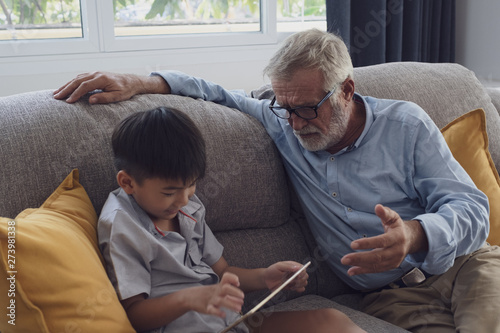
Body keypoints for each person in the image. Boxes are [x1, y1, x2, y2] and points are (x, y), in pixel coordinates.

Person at [54, 29, 500, 332]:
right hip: (390, 296)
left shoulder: (406, 125)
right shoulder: (283, 120)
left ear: (346, 90)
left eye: (308, 107)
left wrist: (416, 233)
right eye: (285, 107)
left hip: (464, 264)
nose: (296, 122)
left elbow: (473, 210)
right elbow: (214, 92)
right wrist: (139, 80)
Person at [98, 106, 365, 333]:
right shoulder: (122, 225)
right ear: (128, 182)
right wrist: (190, 298)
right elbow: (134, 315)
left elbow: (223, 272)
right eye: (169, 192)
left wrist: (266, 277)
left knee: (331, 322)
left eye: (191, 185)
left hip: (230, 324)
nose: (182, 200)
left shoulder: (189, 207)